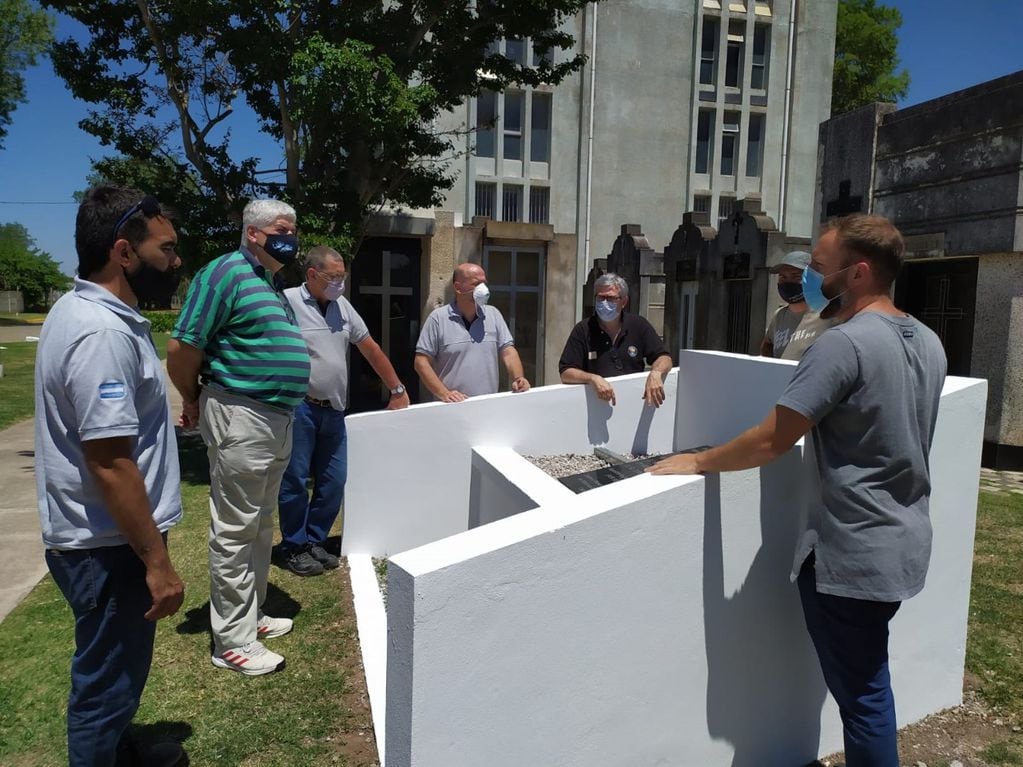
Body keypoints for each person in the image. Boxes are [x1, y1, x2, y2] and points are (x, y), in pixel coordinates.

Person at [648, 214, 947, 766]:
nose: (808, 280)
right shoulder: (927, 340)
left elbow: (771, 440)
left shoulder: (843, 344)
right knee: (868, 683)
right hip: (901, 546)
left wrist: (698, 460)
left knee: (865, 699)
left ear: (857, 273)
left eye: (817, 268)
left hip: (850, 554)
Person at [35, 185, 186, 766]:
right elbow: (110, 461)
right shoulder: (100, 334)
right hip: (108, 546)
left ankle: (120, 752)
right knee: (105, 685)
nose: (175, 263)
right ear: (124, 252)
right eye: (166, 250)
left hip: (107, 539)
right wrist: (157, 562)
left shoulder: (92, 315)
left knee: (117, 672)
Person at [167, 199, 311, 676]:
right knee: (234, 529)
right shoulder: (223, 273)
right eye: (281, 229)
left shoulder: (270, 283)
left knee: (259, 524)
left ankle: (251, 614)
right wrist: (192, 399)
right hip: (242, 415)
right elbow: (184, 346)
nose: (290, 237)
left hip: (275, 418)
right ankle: (231, 640)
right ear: (253, 233)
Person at [275, 245, 410, 576]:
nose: (340, 283)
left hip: (334, 409)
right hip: (299, 407)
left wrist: (397, 389)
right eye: (334, 277)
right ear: (312, 275)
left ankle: (314, 540)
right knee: (294, 480)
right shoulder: (287, 301)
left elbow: (370, 348)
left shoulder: (342, 306)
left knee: (334, 481)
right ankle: (294, 545)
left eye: (342, 276)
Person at [414, 262, 530, 401]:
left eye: (484, 283)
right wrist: (443, 393)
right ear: (458, 287)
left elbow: (508, 351)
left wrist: (519, 377)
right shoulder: (438, 319)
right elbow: (421, 362)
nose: (484, 289)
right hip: (451, 407)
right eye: (476, 284)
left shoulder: (493, 314)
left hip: (487, 405)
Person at [558, 272, 673, 407]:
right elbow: (566, 372)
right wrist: (592, 379)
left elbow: (665, 358)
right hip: (595, 408)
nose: (605, 303)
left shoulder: (639, 325)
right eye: (601, 298)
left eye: (611, 298)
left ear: (624, 301)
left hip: (633, 406)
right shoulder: (583, 329)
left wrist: (656, 372)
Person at [760, 250, 836, 360]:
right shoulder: (779, 316)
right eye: (783, 277)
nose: (788, 282)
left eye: (796, 276)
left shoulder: (828, 314)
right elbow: (768, 343)